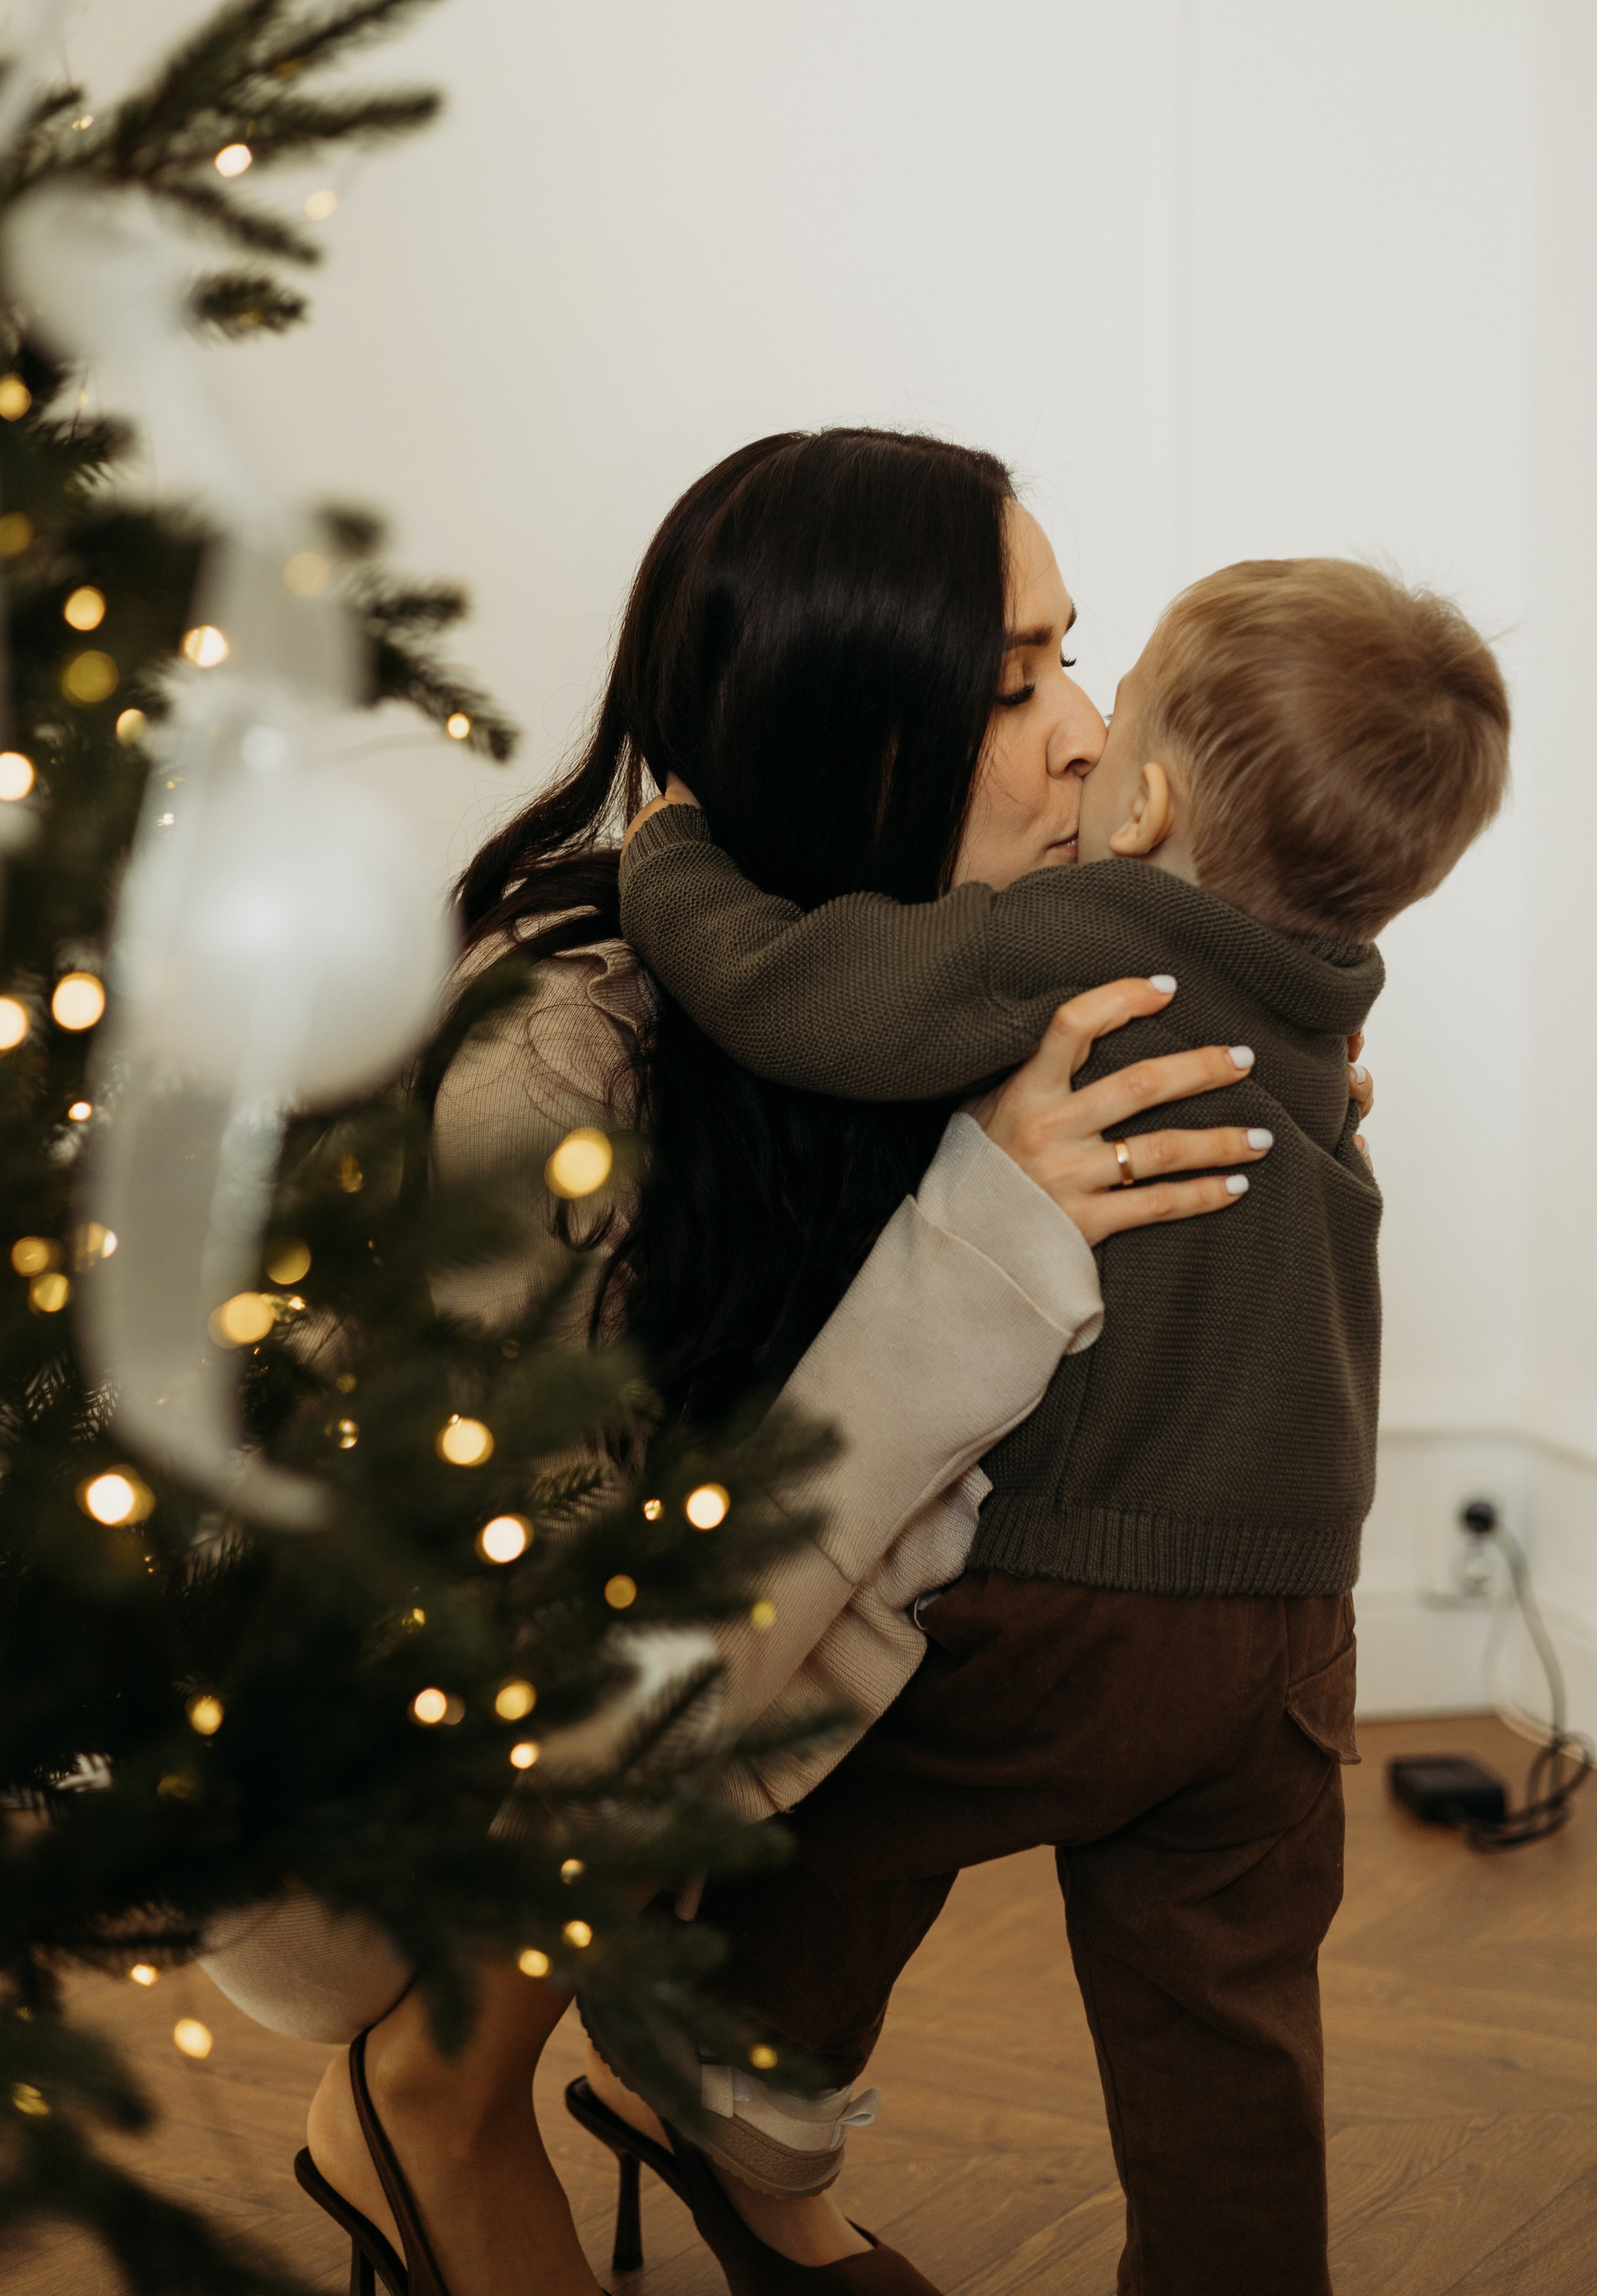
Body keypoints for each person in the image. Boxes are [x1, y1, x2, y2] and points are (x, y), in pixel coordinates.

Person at [209, 428, 1332, 2296]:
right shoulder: (564, 1067)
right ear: (845, 733)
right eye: (1007, 686)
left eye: (1070, 659)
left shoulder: (945, 978)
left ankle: (725, 2141)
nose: (1080, 737)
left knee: (1019, 1610)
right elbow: (565, 1657)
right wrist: (982, 1244)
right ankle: (434, 2096)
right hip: (392, 1746)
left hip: (688, 1679)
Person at [607, 554, 1507, 2295]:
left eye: (1110, 706)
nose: (1082, 747)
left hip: (1082, 1592)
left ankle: (734, 2086)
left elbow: (810, 991)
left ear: (1154, 799)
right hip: (1296, 1627)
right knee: (1227, 2022)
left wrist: (672, 853)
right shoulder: (1328, 1001)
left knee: (848, 1794)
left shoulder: (1095, 940)